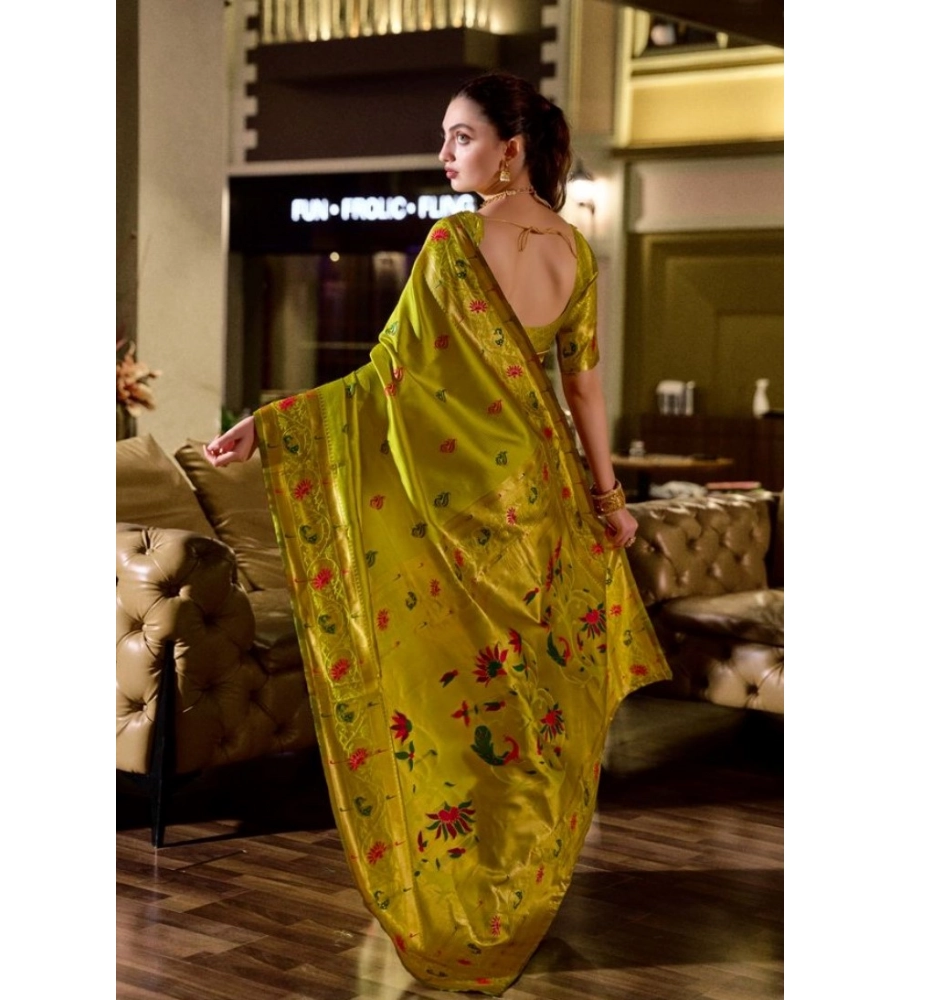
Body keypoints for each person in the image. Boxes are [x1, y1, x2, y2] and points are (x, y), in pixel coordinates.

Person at [205, 71, 671, 996]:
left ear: (511, 148)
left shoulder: (455, 242)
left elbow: (390, 378)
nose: (445, 153)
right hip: (539, 504)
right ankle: (517, 888)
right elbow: (583, 391)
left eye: (461, 136)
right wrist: (609, 499)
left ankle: (467, 900)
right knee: (526, 706)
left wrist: (276, 423)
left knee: (451, 702)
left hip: (459, 508)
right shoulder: (577, 253)